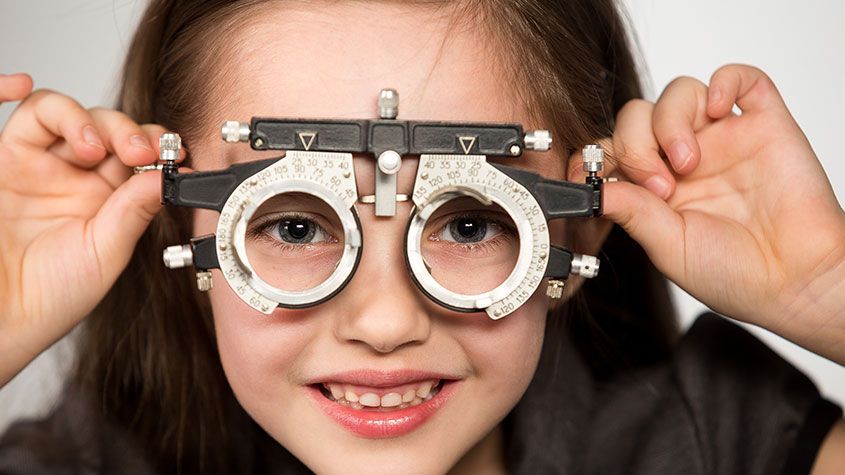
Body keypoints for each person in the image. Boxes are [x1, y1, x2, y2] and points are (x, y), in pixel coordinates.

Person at [1, 0, 844, 473]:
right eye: (293, 223)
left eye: (470, 222)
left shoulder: (720, 446)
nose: (383, 321)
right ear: (179, 218)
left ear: (580, 225)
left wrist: (828, 289)